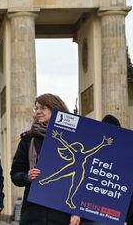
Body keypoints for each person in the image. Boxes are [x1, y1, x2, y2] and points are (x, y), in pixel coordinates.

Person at [10, 93, 81, 225]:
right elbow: (15, 174)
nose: (38, 112)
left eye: (42, 108)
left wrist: (78, 211)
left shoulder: (74, 138)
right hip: (33, 212)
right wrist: (27, 177)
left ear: (55, 109)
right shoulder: (28, 139)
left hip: (62, 213)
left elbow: (84, 181)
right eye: (36, 108)